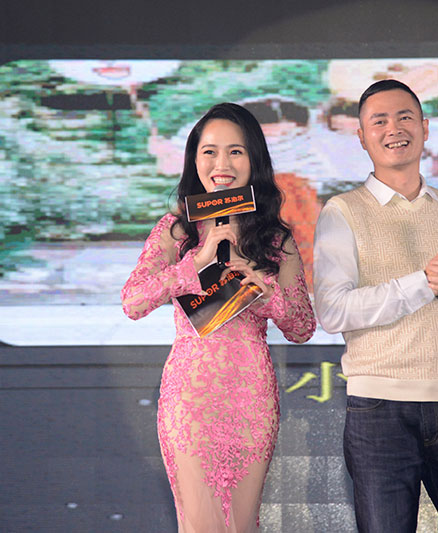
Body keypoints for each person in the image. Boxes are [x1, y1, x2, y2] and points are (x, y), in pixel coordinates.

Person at [313, 80, 438, 532]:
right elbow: (333, 311)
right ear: (361, 137)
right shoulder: (342, 211)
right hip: (379, 406)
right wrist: (423, 283)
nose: (394, 129)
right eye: (379, 121)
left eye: (405, 117)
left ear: (424, 127)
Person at [121, 102, 316, 532]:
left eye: (235, 152)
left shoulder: (274, 238)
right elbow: (133, 302)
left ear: (254, 160)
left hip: (250, 397)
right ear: (194, 159)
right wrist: (194, 264)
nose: (221, 164)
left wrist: (261, 291)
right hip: (191, 398)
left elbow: (303, 327)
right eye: (209, 151)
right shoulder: (176, 230)